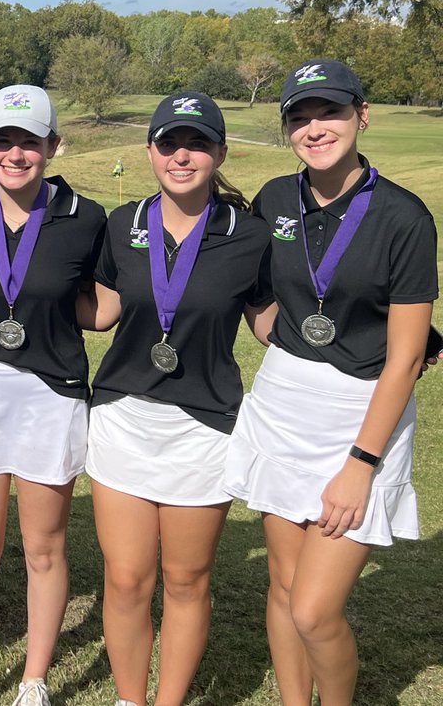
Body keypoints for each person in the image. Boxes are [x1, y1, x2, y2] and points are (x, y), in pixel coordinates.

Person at [223, 59, 437, 705]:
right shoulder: (274, 200)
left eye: (331, 112)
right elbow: (259, 297)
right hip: (285, 403)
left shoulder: (404, 216)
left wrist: (361, 463)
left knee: (315, 609)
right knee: (285, 589)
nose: (316, 128)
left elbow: (405, 359)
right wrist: (279, 335)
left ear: (361, 115)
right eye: (301, 117)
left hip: (359, 419)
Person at [80, 93, 273, 706]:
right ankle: (129, 699)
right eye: (168, 143)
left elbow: (271, 326)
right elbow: (104, 311)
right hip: (123, 418)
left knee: (187, 580)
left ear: (220, 152)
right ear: (150, 151)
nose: (181, 155)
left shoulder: (252, 236)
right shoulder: (123, 223)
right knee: (127, 579)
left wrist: (384, 331)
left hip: (204, 424)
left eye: (196, 143)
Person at [0, 85, 106, 706]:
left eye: (29, 142)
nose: (15, 153)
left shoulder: (86, 216)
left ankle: (33, 680)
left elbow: (100, 304)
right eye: (2, 140)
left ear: (52, 146)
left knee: (44, 545)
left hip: (51, 391)